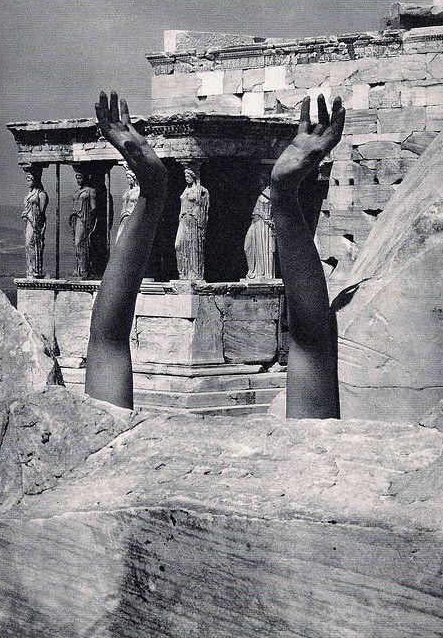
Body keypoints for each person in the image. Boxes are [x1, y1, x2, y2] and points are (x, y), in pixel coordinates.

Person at [86, 92, 345, 418]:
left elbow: (106, 342)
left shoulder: (109, 452)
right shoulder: (304, 457)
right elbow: (310, 345)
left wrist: (152, 192)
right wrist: (285, 194)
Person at [175, 167, 209, 280]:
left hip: (193, 221)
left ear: (193, 177)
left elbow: (203, 207)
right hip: (183, 220)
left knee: (193, 246)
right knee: (179, 245)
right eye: (185, 177)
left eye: (188, 176)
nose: (186, 179)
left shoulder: (201, 190)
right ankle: (183, 272)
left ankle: (195, 274)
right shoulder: (186, 190)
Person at [23, 171, 48, 279]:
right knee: (28, 245)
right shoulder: (29, 194)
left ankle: (36, 269)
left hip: (35, 223)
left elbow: (42, 211)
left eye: (30, 180)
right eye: (27, 180)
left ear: (35, 180)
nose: (28, 182)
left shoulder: (41, 194)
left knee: (32, 244)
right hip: (29, 222)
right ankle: (31, 268)